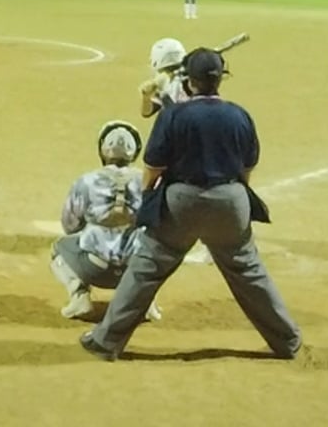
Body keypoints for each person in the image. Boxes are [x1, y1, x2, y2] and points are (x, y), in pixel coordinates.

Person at [80, 48, 301, 361]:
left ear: (188, 81)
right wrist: (232, 198)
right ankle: (287, 341)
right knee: (248, 272)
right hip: (230, 200)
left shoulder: (174, 114)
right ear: (219, 80)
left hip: (181, 202)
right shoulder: (239, 115)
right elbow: (247, 167)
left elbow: (153, 167)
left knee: (146, 269)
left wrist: (148, 200)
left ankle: (106, 341)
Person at [51, 121, 160, 323]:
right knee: (157, 247)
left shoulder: (86, 181)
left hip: (94, 267)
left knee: (59, 248)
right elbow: (159, 222)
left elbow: (69, 225)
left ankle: (79, 297)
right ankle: (145, 301)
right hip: (136, 268)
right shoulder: (146, 181)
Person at [136, 37, 190, 119]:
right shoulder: (192, 78)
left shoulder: (177, 83)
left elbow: (177, 116)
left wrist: (162, 93)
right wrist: (146, 96)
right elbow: (147, 113)